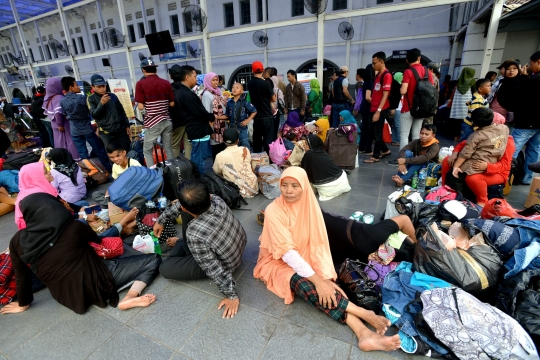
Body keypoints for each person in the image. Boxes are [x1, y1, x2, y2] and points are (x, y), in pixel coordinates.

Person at [253, 167, 401, 352]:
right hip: (276, 261)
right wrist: (319, 281)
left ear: (305, 187)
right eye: (284, 185)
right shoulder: (274, 210)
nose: (289, 190)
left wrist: (324, 278)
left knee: (327, 287)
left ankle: (364, 334)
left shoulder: (309, 205)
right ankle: (363, 315)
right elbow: (287, 253)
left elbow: (318, 243)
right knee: (306, 284)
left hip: (304, 257)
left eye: (295, 186)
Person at [1, 193, 160, 315]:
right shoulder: (73, 227)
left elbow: (22, 276)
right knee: (152, 260)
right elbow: (98, 241)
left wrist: (23, 304)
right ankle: (131, 296)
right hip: (98, 282)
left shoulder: (16, 241)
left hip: (67, 297)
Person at [154, 180, 247, 319]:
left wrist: (231, 295)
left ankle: (186, 249)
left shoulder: (194, 233)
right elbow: (181, 205)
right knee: (187, 220)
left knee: (165, 268)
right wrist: (161, 220)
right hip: (234, 247)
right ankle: (186, 248)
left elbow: (213, 268)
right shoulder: (216, 199)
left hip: (227, 263)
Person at [451, 108, 509, 206]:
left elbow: (465, 153)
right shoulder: (504, 129)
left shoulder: (477, 135)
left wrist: (456, 167)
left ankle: (481, 201)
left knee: (464, 173)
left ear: (475, 123)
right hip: (492, 161)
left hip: (481, 165)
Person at [443, 130, 515, 206]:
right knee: (447, 161)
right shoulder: (484, 135)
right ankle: (444, 190)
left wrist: (487, 166)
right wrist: (455, 153)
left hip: (498, 172)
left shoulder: (508, 142)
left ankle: (482, 201)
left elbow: (505, 165)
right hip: (475, 165)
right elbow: (463, 144)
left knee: (473, 178)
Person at [323, 211, 417, 268]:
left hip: (331, 225)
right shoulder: (375, 258)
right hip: (338, 246)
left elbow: (405, 219)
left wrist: (416, 244)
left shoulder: (379, 234)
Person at [169, 65, 214, 175]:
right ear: (187, 77)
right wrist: (211, 116)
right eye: (194, 76)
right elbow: (198, 112)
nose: (196, 79)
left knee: (196, 158)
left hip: (195, 129)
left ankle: (196, 181)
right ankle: (199, 183)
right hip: (198, 130)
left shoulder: (182, 92)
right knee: (199, 160)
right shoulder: (186, 94)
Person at [59, 77, 112, 172]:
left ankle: (91, 171)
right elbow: (90, 112)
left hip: (74, 129)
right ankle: (108, 168)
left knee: (83, 153)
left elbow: (65, 114)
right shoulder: (82, 98)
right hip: (86, 127)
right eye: (76, 84)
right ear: (71, 87)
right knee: (99, 149)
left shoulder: (62, 101)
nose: (78, 86)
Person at [134, 58, 175, 167]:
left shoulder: (140, 84)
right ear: (156, 70)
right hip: (167, 120)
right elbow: (172, 104)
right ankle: (173, 171)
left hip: (153, 122)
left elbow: (141, 106)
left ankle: (152, 175)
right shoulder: (166, 83)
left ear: (143, 70)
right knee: (168, 148)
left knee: (147, 150)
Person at [511, 51, 540, 185]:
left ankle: (505, 178)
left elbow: (521, 94)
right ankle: (527, 179)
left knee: (512, 150)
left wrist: (523, 77)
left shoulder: (535, 79)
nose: (529, 66)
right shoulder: (534, 78)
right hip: (537, 123)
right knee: (534, 150)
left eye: (531, 63)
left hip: (527, 122)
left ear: (538, 62)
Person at [399, 49, 435, 149]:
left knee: (404, 135)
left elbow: (403, 91)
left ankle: (403, 157)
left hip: (408, 107)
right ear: (419, 58)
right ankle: (414, 156)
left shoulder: (408, 72)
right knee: (416, 134)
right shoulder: (427, 72)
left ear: (407, 60)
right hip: (422, 108)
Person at [87, 74, 131, 151]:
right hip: (106, 133)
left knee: (126, 150)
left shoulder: (113, 96)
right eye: (99, 87)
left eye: (103, 86)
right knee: (112, 153)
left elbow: (121, 111)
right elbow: (94, 114)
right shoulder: (91, 99)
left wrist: (127, 125)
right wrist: (101, 104)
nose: (102, 89)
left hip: (120, 130)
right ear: (93, 87)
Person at [91, 142, 143, 208]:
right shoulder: (115, 166)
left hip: (133, 192)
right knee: (96, 195)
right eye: (112, 157)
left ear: (124, 153)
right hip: (120, 193)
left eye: (118, 156)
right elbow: (115, 183)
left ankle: (115, 204)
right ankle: (116, 204)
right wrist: (109, 191)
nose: (115, 159)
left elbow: (142, 182)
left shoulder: (134, 163)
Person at [301, 134, 351, 201]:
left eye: (306, 144)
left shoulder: (309, 154)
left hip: (327, 188)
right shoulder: (322, 152)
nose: (304, 146)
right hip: (342, 180)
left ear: (312, 145)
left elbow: (304, 171)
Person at [213, 129, 258, 198]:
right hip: (253, 189)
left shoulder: (220, 155)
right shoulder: (245, 149)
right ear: (238, 140)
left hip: (234, 192)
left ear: (223, 141)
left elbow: (216, 172)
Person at [364, 52, 392, 163]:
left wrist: (378, 111)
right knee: (374, 131)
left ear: (381, 62)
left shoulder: (387, 75)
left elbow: (385, 95)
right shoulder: (377, 75)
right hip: (374, 108)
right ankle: (385, 150)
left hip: (380, 109)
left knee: (377, 132)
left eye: (374, 63)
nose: (373, 65)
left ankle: (375, 156)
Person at [42, 78, 80, 160]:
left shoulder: (49, 98)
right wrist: (60, 124)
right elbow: (58, 112)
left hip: (55, 125)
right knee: (69, 142)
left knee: (60, 142)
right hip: (63, 124)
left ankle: (62, 159)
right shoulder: (58, 97)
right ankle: (74, 158)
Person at [247, 61, 276, 154]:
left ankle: (257, 160)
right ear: (263, 70)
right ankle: (269, 161)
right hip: (267, 115)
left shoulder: (250, 83)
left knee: (257, 140)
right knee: (268, 141)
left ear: (252, 71)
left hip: (256, 115)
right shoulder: (265, 83)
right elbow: (273, 98)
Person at [201, 72, 229, 160]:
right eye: (213, 80)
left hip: (223, 126)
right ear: (208, 81)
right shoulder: (206, 94)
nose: (216, 82)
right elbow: (206, 113)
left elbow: (223, 107)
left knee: (224, 150)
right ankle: (217, 171)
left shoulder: (218, 92)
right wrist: (210, 131)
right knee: (217, 151)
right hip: (214, 127)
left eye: (217, 80)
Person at [224, 82, 257, 149]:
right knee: (234, 147)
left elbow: (254, 111)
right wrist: (216, 117)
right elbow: (227, 115)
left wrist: (247, 120)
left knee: (245, 146)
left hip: (242, 129)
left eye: (237, 88)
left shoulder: (245, 102)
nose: (234, 89)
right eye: (233, 87)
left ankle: (247, 158)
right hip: (232, 129)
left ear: (242, 91)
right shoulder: (229, 103)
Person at [449, 67, 476, 138]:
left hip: (458, 102)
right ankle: (463, 135)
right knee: (466, 118)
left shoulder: (459, 80)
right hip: (467, 102)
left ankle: (456, 135)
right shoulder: (472, 81)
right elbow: (475, 91)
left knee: (457, 119)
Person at [358, 65, 375, 154]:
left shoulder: (366, 82)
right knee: (368, 129)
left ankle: (362, 148)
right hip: (368, 107)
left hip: (364, 107)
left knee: (365, 129)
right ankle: (368, 149)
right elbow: (368, 97)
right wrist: (376, 103)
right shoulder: (370, 82)